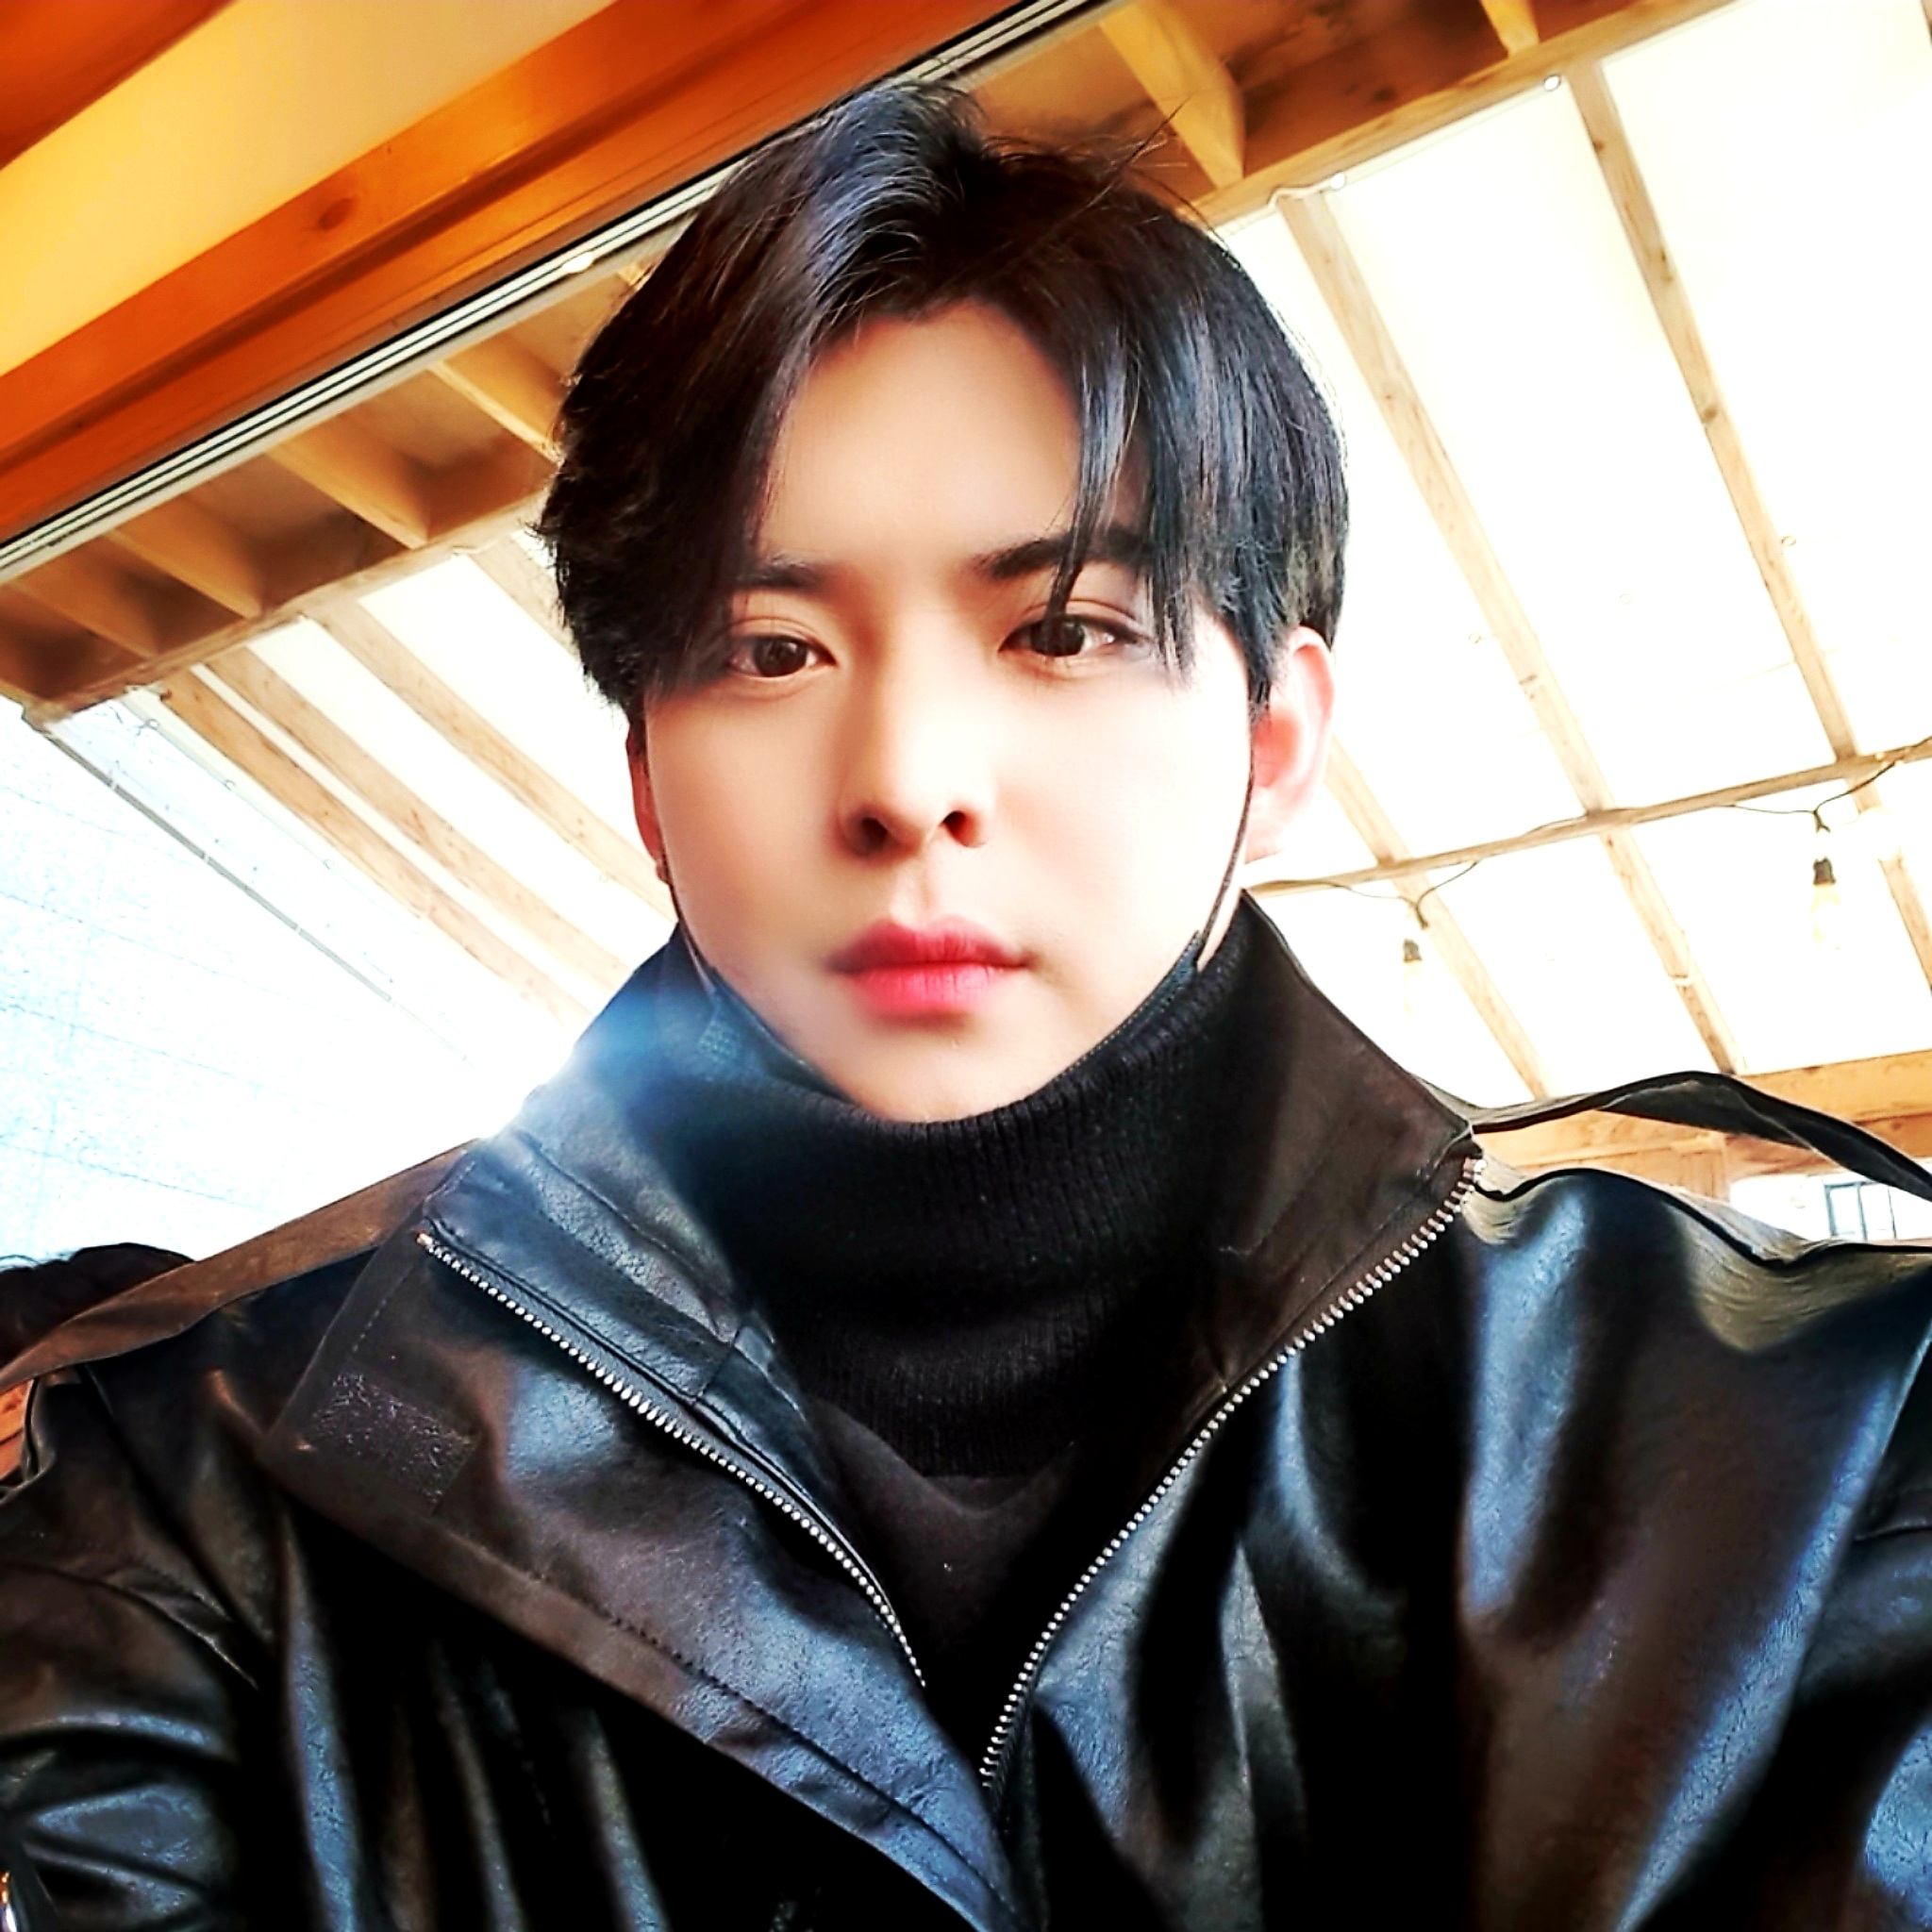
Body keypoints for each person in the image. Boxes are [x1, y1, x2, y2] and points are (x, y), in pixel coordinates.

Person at [3, 84, 1931, 1932]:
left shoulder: (1817, 1447)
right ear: (649, 785)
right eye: (771, 649)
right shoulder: (203, 1471)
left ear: (1274, 742)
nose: (907, 779)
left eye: (1062, 628)